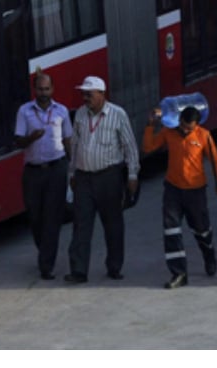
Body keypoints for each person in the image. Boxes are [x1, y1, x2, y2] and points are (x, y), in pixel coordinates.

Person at [142, 102, 217, 289]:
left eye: (189, 128)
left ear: (196, 125)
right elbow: (148, 148)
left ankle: (209, 254)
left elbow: (215, 161)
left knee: (201, 229)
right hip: (173, 190)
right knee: (171, 231)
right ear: (179, 120)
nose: (185, 130)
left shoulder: (204, 136)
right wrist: (150, 126)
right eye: (183, 126)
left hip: (196, 192)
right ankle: (179, 273)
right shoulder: (168, 133)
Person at [65, 76, 139, 283]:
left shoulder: (118, 114)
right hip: (84, 177)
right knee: (81, 225)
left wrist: (132, 175)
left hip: (109, 176)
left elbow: (130, 147)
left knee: (113, 224)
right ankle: (79, 270)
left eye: (89, 94)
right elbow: (75, 145)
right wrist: (72, 173)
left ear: (101, 94)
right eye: (83, 93)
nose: (85, 97)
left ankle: (114, 266)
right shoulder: (80, 114)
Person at [13, 71, 73, 280]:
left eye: (47, 89)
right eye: (40, 89)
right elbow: (18, 141)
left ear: (53, 90)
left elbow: (68, 140)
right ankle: (45, 251)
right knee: (36, 217)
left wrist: (73, 168)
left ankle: (46, 264)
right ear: (34, 90)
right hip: (33, 172)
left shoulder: (62, 111)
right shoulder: (24, 111)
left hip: (57, 168)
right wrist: (31, 138)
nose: (44, 93)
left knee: (52, 218)